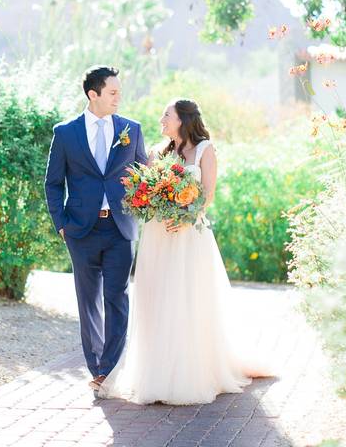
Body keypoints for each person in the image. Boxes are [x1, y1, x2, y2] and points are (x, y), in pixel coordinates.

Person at [99, 98, 272, 405]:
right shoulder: (157, 152)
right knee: (157, 299)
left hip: (188, 236)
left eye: (166, 115)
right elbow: (147, 189)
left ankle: (189, 371)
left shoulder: (205, 149)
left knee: (187, 299)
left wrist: (183, 219)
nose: (161, 119)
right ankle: (155, 370)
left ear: (182, 119)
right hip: (157, 236)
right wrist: (147, 201)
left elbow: (207, 194)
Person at [44, 66, 148, 391]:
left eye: (119, 92)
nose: (119, 98)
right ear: (94, 94)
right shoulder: (65, 133)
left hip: (120, 228)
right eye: (113, 92)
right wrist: (61, 224)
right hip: (81, 230)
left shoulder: (131, 128)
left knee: (117, 297)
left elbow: (143, 176)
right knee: (88, 300)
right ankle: (96, 366)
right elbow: (52, 183)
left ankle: (109, 370)